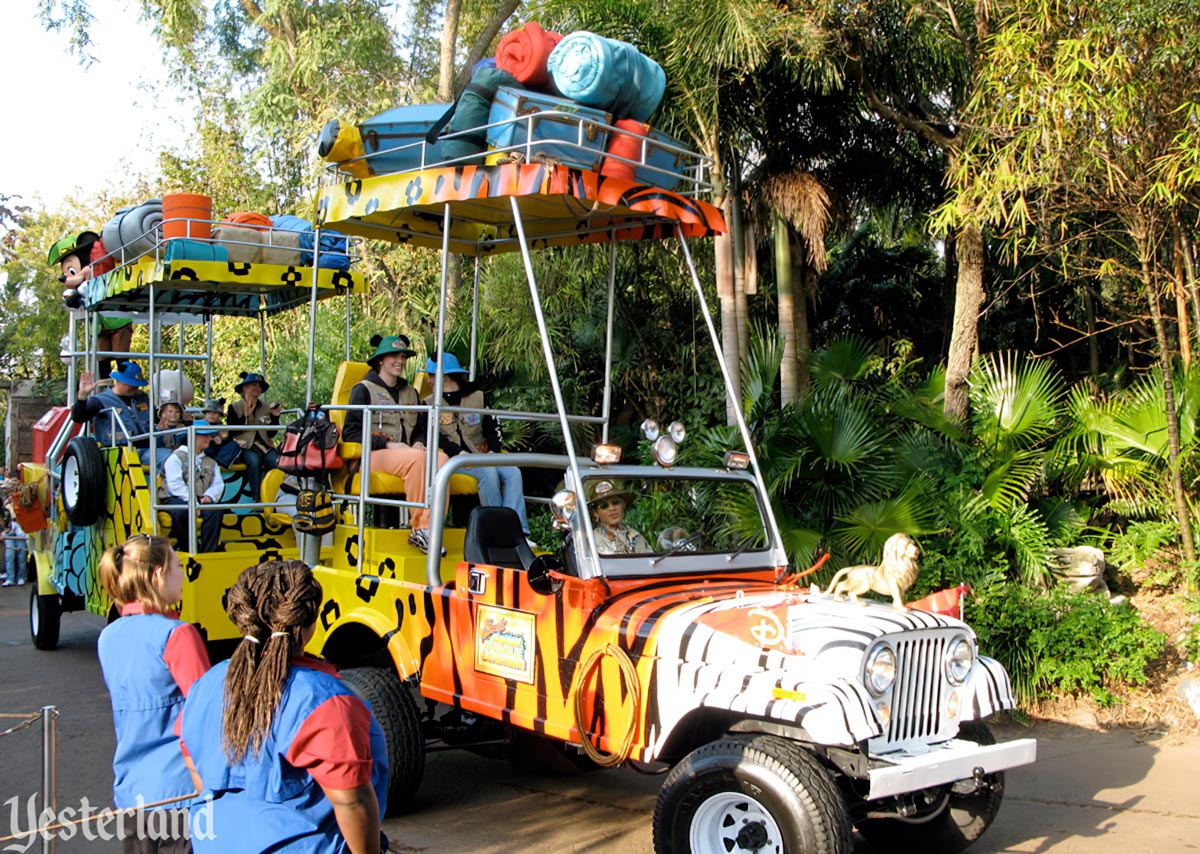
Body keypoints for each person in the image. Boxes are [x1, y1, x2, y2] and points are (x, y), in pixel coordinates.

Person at [179, 560, 388, 853]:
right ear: (310, 623)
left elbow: (195, 766)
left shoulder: (207, 684)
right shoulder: (325, 700)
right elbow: (352, 801)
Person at [96, 534, 212, 852]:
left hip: (132, 789)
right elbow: (204, 714)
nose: (182, 575)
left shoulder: (107, 637)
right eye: (177, 566)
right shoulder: (177, 635)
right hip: (181, 791)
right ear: (159, 574)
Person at [343, 334, 447, 554]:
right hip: (372, 455)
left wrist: (419, 441)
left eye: (402, 357)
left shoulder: (411, 393)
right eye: (393, 356)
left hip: (407, 453)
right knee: (416, 459)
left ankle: (435, 528)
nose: (399, 361)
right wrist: (387, 445)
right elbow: (351, 432)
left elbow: (420, 427)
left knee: (442, 461)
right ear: (380, 360)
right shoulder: (363, 389)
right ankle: (422, 528)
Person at [425, 353, 534, 548]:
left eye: (431, 376)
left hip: (481, 455)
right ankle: (497, 531)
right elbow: (433, 435)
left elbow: (493, 426)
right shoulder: (429, 403)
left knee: (512, 472)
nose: (428, 380)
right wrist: (456, 453)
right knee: (488, 473)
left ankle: (519, 531)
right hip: (454, 460)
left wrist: (494, 450)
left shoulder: (478, 396)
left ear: (444, 377)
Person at [158, 428, 225, 553]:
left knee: (215, 510)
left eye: (209, 435)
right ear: (193, 437)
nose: (209, 438)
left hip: (200, 498)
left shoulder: (211, 462)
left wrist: (209, 496)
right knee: (183, 512)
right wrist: (193, 503)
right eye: (205, 435)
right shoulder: (176, 458)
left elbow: (218, 484)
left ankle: (208, 552)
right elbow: (175, 485)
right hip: (176, 498)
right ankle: (187, 548)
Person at [71, 361, 152, 446]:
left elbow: (154, 417)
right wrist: (82, 396)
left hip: (149, 447)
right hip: (120, 451)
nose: (135, 388)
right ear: (118, 381)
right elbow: (78, 418)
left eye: (137, 385)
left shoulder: (142, 397)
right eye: (131, 385)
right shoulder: (100, 401)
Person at [226, 371, 281, 497]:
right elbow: (231, 432)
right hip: (243, 445)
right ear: (245, 388)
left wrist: (275, 417)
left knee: (275, 460)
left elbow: (271, 434)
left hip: (264, 445)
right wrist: (245, 418)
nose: (257, 388)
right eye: (253, 385)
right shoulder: (234, 407)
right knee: (253, 461)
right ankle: (257, 498)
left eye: (259, 386)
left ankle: (274, 496)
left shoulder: (266, 407)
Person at [586, 479, 650, 555]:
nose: (612, 508)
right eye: (604, 506)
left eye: (615, 502)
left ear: (623, 504)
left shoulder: (636, 536)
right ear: (596, 513)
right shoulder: (591, 540)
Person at [198, 399, 242, 469]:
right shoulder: (199, 425)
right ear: (205, 414)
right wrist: (211, 440)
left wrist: (221, 440)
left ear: (220, 415)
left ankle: (217, 464)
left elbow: (226, 438)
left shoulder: (223, 428)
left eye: (215, 413)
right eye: (209, 412)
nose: (212, 415)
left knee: (234, 445)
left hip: (219, 453)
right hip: (205, 451)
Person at [2, 504, 28, 586]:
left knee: (21, 556)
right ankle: (10, 578)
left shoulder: (5, 511)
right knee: (9, 556)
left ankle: (21, 577)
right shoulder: (7, 509)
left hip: (21, 532)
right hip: (9, 534)